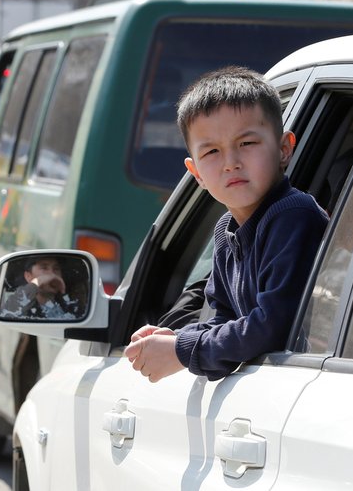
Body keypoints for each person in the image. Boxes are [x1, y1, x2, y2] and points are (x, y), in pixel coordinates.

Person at [125, 66, 329, 383]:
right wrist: (176, 336)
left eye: (247, 143)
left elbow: (271, 326)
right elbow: (226, 317)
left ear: (284, 148)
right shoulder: (225, 232)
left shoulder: (294, 216)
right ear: (196, 174)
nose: (231, 161)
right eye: (212, 151)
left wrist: (182, 350)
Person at [3, 256, 80, 319]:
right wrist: (37, 282)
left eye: (56, 269)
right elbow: (8, 313)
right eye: (44, 268)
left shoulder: (71, 304)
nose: (52, 274)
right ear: (28, 276)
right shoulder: (24, 308)